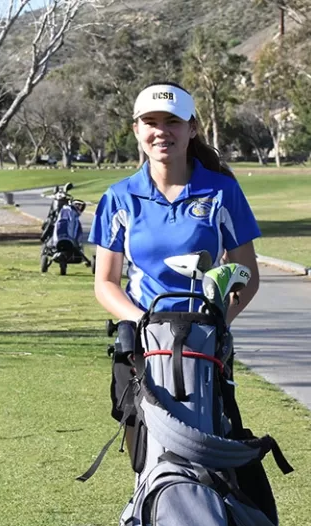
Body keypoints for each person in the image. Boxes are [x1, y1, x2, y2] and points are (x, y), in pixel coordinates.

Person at [88, 81, 260, 448]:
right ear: (136, 129)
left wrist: (217, 325)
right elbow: (105, 282)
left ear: (192, 127)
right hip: (140, 342)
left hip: (203, 342)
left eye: (172, 121)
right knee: (144, 451)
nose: (161, 131)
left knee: (204, 445)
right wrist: (143, 322)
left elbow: (247, 275)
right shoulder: (119, 197)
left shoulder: (221, 191)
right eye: (150, 121)